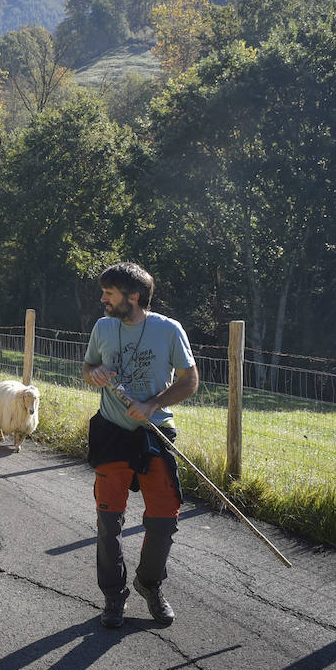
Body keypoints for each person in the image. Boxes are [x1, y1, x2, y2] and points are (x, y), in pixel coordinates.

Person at [82, 261, 199, 629]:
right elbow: (87, 369)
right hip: (112, 433)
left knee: (164, 520)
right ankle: (113, 597)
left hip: (155, 434)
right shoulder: (103, 327)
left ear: (133, 297)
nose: (103, 299)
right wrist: (94, 374)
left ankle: (149, 584)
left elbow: (190, 380)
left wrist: (152, 404)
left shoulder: (168, 330)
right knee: (108, 521)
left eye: (109, 294)